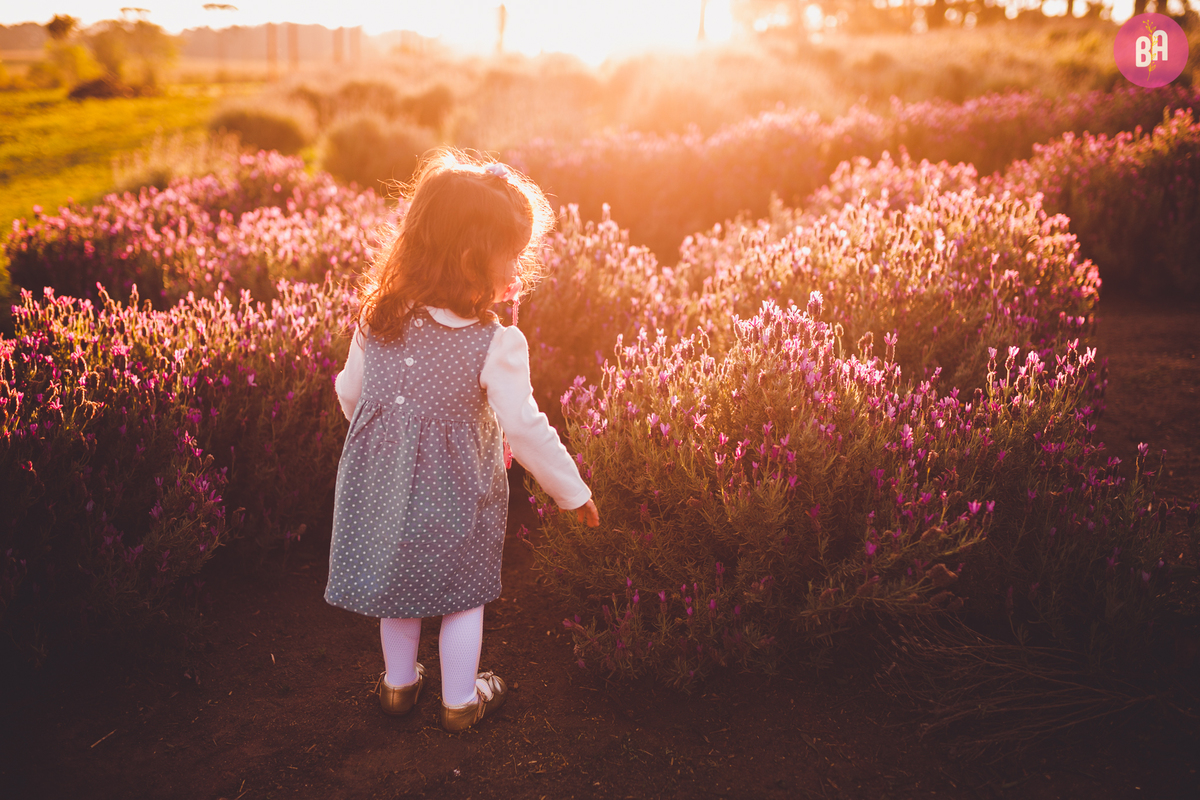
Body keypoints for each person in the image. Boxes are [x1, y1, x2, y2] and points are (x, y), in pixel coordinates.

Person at [325, 148, 599, 733]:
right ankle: (460, 701)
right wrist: (572, 491)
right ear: (474, 260)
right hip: (457, 493)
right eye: (512, 256)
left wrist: (388, 448)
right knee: (463, 594)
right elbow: (525, 426)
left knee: (398, 587)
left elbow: (351, 393)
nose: (518, 269)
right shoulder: (493, 342)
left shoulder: (379, 317)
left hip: (384, 484)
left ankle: (398, 687)